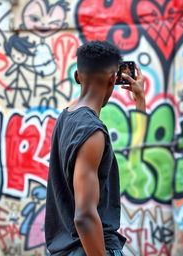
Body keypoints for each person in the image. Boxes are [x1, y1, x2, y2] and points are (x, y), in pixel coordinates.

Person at [45, 40, 146, 256]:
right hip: (90, 249)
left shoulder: (66, 118)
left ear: (77, 77)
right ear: (113, 79)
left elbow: (135, 152)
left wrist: (140, 100)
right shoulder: (92, 131)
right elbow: (84, 216)